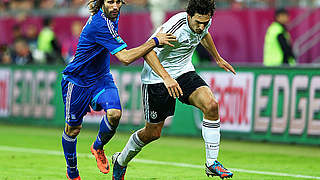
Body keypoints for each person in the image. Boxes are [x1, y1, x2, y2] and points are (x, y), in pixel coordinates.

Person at [111, 0, 236, 179]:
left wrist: (217, 57)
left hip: (184, 72)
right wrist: (166, 78)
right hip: (156, 78)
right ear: (188, 16)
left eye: (205, 22)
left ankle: (211, 163)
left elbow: (204, 35)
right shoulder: (174, 27)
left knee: (211, 106)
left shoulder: (204, 21)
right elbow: (148, 52)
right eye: (197, 22)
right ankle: (121, 161)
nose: (201, 27)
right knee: (153, 133)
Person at [60, 0, 180, 179]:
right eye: (110, 2)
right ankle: (72, 173)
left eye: (118, 2)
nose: (115, 6)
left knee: (114, 113)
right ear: (102, 3)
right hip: (77, 81)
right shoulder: (100, 24)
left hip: (101, 78)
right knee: (73, 129)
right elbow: (124, 58)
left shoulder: (111, 16)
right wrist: (154, 41)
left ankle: (98, 147)